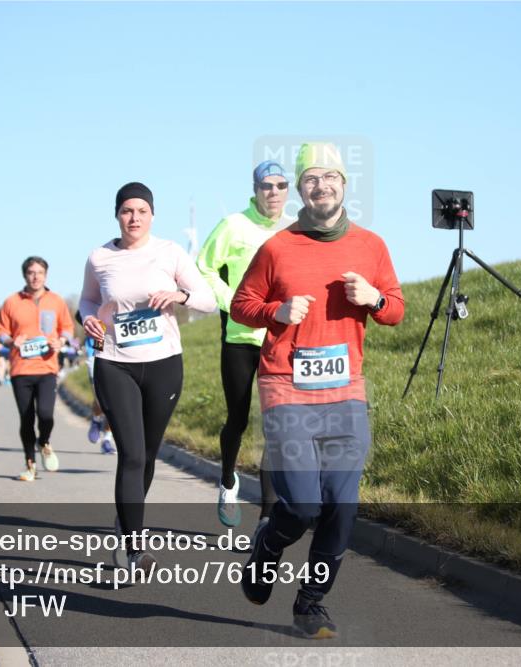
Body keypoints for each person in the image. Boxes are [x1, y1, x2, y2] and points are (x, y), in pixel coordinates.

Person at [231, 143, 405, 638]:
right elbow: (242, 304)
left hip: (345, 390)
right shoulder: (277, 247)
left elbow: (395, 309)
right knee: (303, 506)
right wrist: (277, 311)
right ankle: (268, 543)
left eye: (330, 177)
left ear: (344, 185)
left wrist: (374, 299)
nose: (321, 185)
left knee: (341, 506)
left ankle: (311, 602)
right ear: (301, 190)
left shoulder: (371, 246)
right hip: (286, 386)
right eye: (311, 178)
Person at [79, 182, 215, 573]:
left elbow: (208, 299)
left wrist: (179, 296)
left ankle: (127, 520)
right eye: (127, 210)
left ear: (152, 215)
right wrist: (87, 318)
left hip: (163, 364)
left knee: (149, 455)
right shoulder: (100, 257)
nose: (134, 217)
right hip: (115, 362)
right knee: (133, 454)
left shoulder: (170, 252)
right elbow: (88, 299)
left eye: (141, 210)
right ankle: (134, 550)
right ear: (117, 215)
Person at [197, 159, 290, 528]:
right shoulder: (233, 225)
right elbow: (203, 267)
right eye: (267, 186)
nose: (273, 192)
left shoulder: (295, 229)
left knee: (274, 427)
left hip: (279, 340)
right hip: (239, 336)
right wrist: (232, 302)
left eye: (281, 185)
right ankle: (227, 482)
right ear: (255, 190)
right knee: (237, 418)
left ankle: (267, 517)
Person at [0, 256, 74, 481]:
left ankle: (44, 442)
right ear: (25, 275)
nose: (35, 277)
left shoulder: (57, 301)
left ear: (46, 275)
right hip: (21, 369)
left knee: (46, 415)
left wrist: (61, 341)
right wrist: (11, 341)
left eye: (40, 272)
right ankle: (30, 465)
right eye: (31, 272)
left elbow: (67, 328)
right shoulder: (12, 302)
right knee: (26, 418)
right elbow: (1, 332)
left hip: (47, 368)